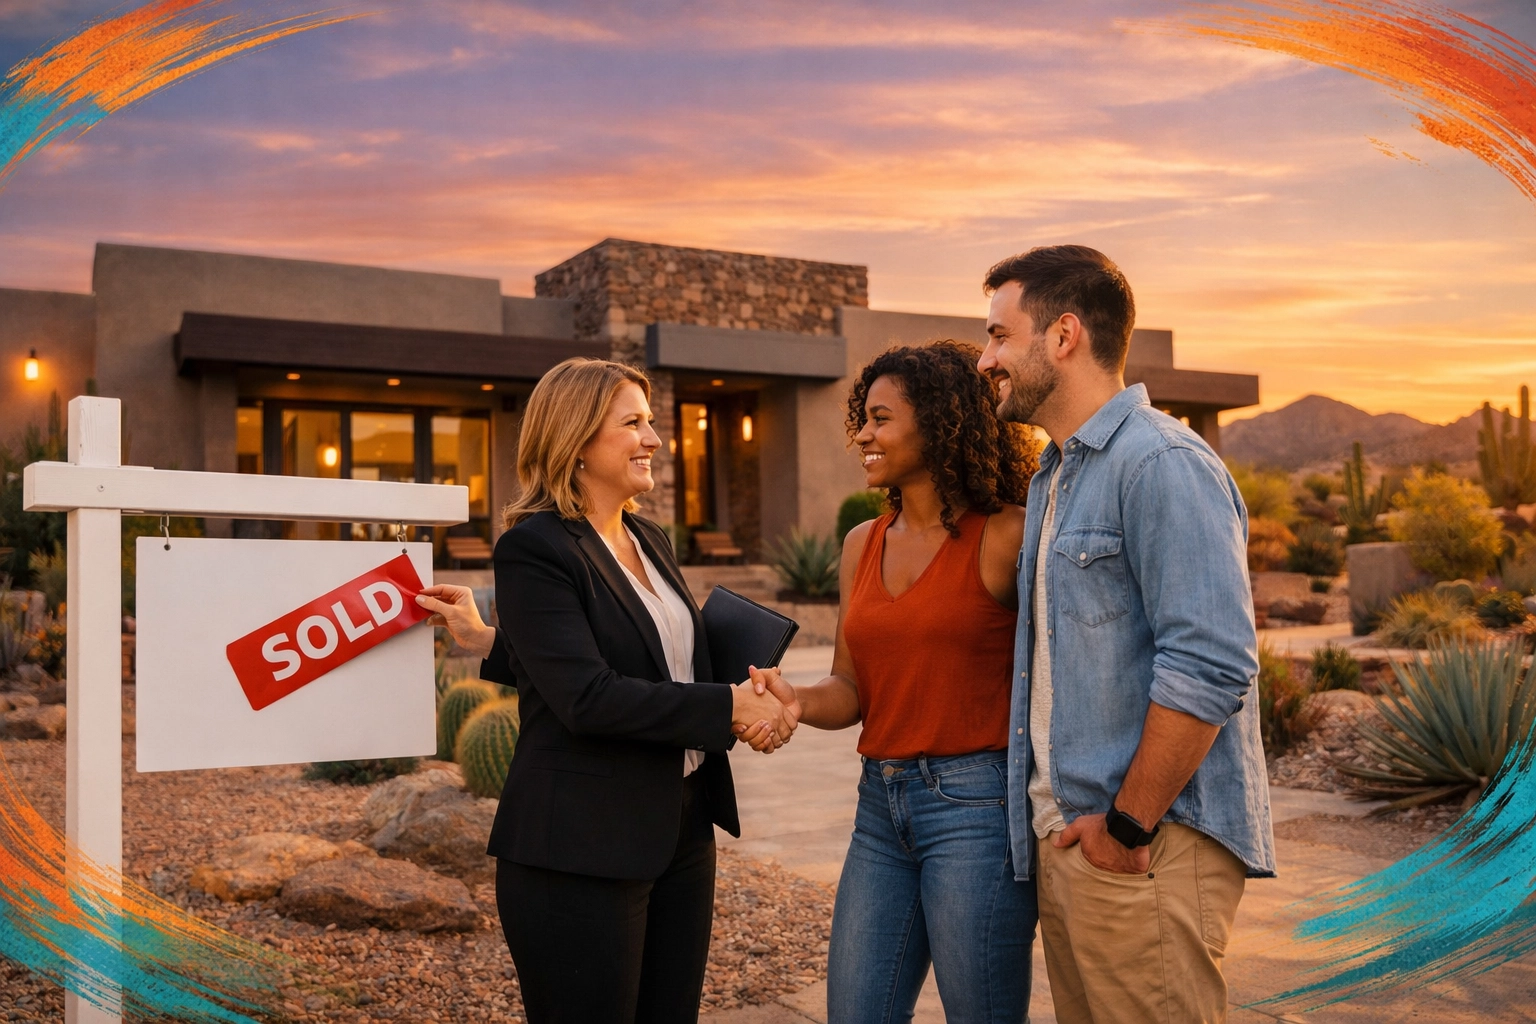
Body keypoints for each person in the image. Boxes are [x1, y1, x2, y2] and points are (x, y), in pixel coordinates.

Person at [417, 356, 794, 1024]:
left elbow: (640, 662)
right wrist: (729, 706)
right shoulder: (535, 547)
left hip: (681, 828)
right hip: (580, 847)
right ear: (577, 439)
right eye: (634, 423)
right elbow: (586, 696)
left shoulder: (649, 536)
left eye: (651, 423)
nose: (654, 439)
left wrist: (749, 702)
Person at [976, 245, 1274, 1024]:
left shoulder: (1161, 463)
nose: (985, 360)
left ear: (1064, 334)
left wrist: (1126, 826)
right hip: (1081, 846)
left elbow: (1210, 665)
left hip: (1147, 848)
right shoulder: (1057, 475)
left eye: (1001, 336)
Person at [744, 341, 1040, 1024]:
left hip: (978, 811)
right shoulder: (861, 543)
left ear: (940, 423)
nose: (864, 435)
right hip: (880, 809)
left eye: (880, 418)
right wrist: (796, 699)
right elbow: (851, 689)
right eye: (863, 418)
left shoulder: (1008, 536)